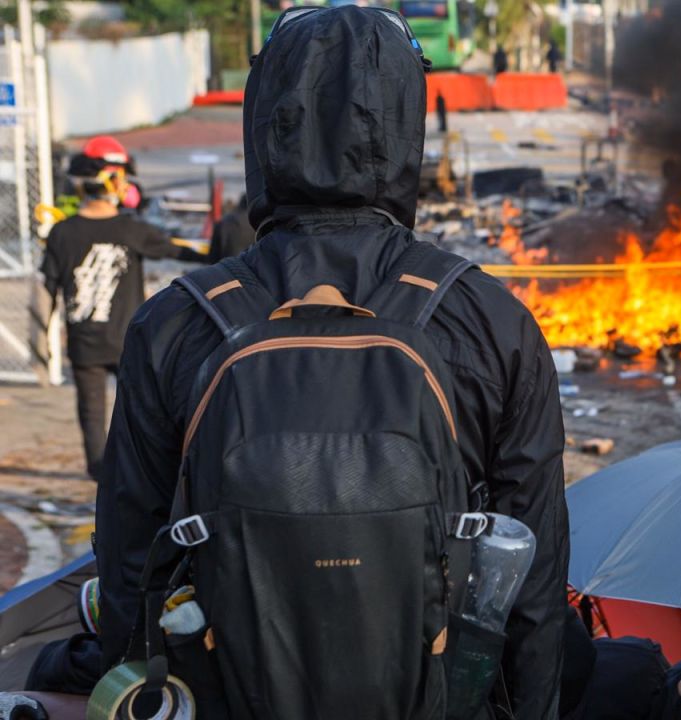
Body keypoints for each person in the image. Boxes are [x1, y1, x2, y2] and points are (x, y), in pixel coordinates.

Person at [88, 6, 567, 718]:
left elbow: (131, 564)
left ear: (263, 124)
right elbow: (530, 568)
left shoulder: (178, 320)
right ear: (408, 126)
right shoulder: (486, 318)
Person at [39, 136, 201, 482]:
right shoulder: (132, 229)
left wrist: (41, 347)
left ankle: (100, 475)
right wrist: (221, 251)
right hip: (128, 339)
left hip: (84, 341)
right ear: (114, 181)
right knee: (139, 409)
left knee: (91, 412)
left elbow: (45, 291)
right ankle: (138, 473)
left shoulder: (61, 233)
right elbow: (178, 250)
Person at [206, 194, 255, 261]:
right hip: (251, 267)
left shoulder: (223, 222)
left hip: (226, 267)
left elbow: (213, 256)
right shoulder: (259, 224)